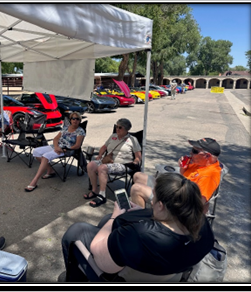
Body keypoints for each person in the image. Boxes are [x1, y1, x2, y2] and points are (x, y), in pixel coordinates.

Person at [61, 173, 214, 282]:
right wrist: (141, 213)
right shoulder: (202, 225)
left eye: (154, 200)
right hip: (170, 271)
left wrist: (115, 216)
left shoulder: (138, 236)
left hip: (122, 275)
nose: (151, 203)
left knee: (77, 230)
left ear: (161, 206)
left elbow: (103, 263)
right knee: (106, 221)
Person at [131, 137, 222, 213]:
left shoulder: (210, 175)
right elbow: (184, 176)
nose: (190, 153)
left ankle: (141, 220)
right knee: (138, 176)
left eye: (195, 151)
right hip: (173, 189)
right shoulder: (200, 163)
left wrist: (163, 197)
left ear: (207, 156)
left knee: (136, 189)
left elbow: (197, 203)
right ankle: (142, 207)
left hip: (176, 201)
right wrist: (182, 167)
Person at [84, 118, 141, 208]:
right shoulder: (113, 136)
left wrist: (136, 161)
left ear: (126, 129)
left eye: (120, 127)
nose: (117, 129)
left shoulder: (133, 140)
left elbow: (138, 155)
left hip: (123, 164)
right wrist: (100, 155)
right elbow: (104, 147)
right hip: (109, 161)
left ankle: (102, 195)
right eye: (117, 126)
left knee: (102, 168)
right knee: (90, 165)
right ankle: (95, 190)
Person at [24, 112, 86, 192]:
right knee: (36, 151)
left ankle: (34, 181)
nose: (75, 120)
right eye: (73, 118)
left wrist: (63, 149)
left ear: (80, 121)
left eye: (77, 119)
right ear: (70, 120)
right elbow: (56, 138)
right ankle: (50, 170)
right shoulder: (66, 127)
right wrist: (56, 147)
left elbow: (77, 145)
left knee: (46, 156)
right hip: (57, 147)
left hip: (67, 150)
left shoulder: (80, 131)